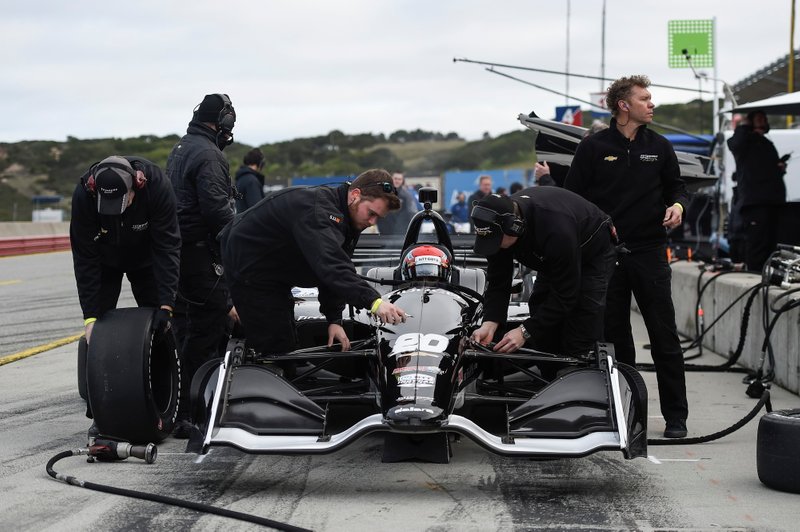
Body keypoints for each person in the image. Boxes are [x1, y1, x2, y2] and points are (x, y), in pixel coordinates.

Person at [564, 75, 690, 438]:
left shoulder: (661, 146)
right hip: (607, 255)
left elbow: (677, 187)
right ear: (624, 105)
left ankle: (676, 418)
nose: (652, 104)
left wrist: (679, 205)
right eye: (645, 98)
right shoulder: (592, 147)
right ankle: (629, 415)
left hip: (650, 252)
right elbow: (573, 198)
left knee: (664, 336)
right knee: (617, 341)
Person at [220, 168, 408, 356]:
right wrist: (375, 302)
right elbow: (332, 266)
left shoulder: (348, 216)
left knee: (288, 339)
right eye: (371, 213)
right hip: (248, 267)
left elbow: (336, 265)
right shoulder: (320, 212)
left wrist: (334, 320)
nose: (372, 222)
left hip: (274, 274)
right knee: (276, 346)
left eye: (378, 218)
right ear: (355, 195)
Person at [70, 155, 180, 439]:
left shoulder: (156, 186)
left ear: (135, 188)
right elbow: (84, 259)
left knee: (164, 327)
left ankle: (166, 404)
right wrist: (91, 316)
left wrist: (167, 304)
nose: (115, 212)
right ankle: (99, 414)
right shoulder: (84, 195)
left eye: (122, 203)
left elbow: (168, 245)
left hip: (147, 259)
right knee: (98, 334)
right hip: (105, 261)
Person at [470, 189, 616, 360]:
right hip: (553, 254)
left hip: (592, 252)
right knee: (540, 309)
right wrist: (490, 322)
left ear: (514, 227)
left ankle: (582, 372)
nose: (494, 246)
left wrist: (524, 332)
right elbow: (498, 281)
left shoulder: (556, 230)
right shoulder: (497, 231)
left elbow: (566, 294)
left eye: (496, 240)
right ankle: (550, 378)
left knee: (583, 321)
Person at [167, 93, 238, 437]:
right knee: (208, 329)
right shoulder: (209, 154)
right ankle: (195, 412)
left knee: (183, 328)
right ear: (221, 122)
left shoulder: (183, 146)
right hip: (199, 255)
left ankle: (178, 406)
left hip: (177, 253)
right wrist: (240, 240)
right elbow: (215, 210)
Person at [726, 110, 787, 271]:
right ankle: (754, 275)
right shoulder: (744, 141)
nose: (763, 121)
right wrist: (744, 125)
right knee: (757, 244)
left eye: (764, 118)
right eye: (758, 118)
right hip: (755, 202)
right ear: (751, 121)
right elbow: (735, 144)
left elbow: (765, 168)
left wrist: (779, 168)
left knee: (771, 243)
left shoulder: (766, 143)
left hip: (773, 200)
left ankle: (768, 274)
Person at [235, 148, 266, 213]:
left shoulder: (240, 178)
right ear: (259, 163)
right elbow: (257, 209)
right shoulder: (252, 181)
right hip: (251, 222)